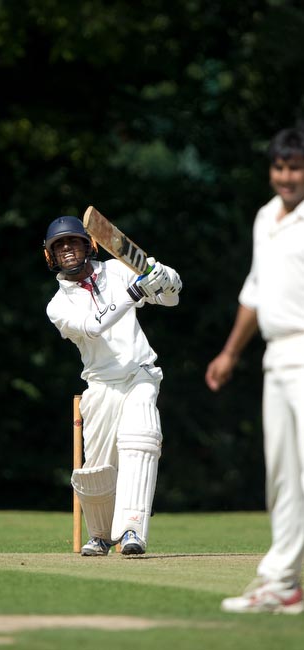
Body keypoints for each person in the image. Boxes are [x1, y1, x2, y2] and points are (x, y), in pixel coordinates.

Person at [205, 126, 304, 614]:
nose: (287, 177)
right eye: (280, 167)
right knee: (283, 476)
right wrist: (229, 353)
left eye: (296, 168)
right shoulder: (266, 217)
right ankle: (283, 585)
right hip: (275, 354)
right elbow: (255, 292)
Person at [44, 215, 182, 555]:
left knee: (142, 437)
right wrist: (135, 292)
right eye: (59, 246)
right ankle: (101, 535)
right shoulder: (57, 306)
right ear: (50, 256)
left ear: (89, 245)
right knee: (98, 469)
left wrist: (166, 278)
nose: (67, 249)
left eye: (73, 242)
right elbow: (93, 326)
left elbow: (171, 299)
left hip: (139, 374)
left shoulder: (118, 270)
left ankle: (133, 530)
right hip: (101, 384)